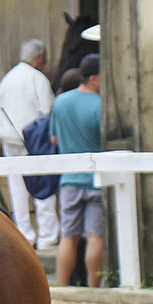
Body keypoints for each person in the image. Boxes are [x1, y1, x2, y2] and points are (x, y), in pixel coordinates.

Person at [0, 38, 59, 249]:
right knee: (42, 185)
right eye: (45, 59)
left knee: (17, 188)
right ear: (38, 57)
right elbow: (48, 112)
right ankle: (48, 236)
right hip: (33, 138)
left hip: (8, 137)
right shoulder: (38, 78)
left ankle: (24, 234)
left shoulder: (7, 79)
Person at [49, 54, 104, 288]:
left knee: (68, 238)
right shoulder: (101, 105)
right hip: (95, 180)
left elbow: (53, 138)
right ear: (94, 78)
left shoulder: (60, 102)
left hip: (69, 179)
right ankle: (93, 288)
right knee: (95, 237)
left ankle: (62, 287)